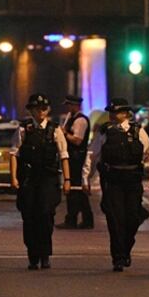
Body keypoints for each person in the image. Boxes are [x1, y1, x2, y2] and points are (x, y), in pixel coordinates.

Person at [82, 98, 149, 272]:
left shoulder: (138, 131)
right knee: (115, 219)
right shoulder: (105, 132)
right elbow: (92, 155)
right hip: (112, 180)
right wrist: (86, 177)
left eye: (115, 112)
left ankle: (126, 248)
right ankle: (118, 257)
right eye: (111, 112)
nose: (112, 115)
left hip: (132, 180)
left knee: (132, 218)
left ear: (125, 114)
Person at [12, 94, 71, 269]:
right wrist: (14, 177)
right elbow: (14, 154)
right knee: (29, 216)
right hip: (29, 179)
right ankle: (33, 254)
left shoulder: (55, 130)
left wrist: (67, 179)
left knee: (46, 215)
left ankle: (45, 254)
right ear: (31, 110)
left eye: (44, 108)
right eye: (37, 108)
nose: (41, 112)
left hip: (48, 178)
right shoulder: (24, 129)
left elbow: (63, 155)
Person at [58, 95, 93, 229]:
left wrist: (64, 134)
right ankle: (84, 219)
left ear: (75, 105)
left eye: (69, 105)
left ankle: (73, 219)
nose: (67, 108)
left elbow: (78, 140)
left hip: (77, 159)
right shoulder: (72, 119)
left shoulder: (80, 121)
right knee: (76, 191)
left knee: (75, 190)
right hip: (73, 158)